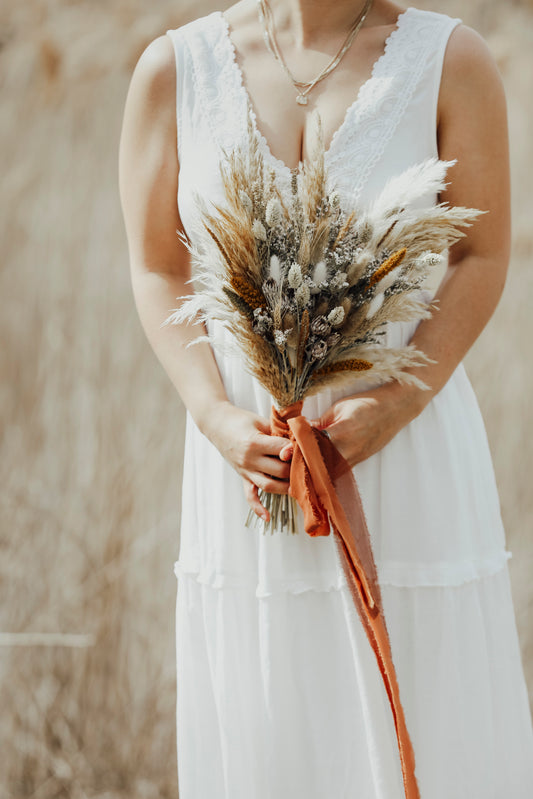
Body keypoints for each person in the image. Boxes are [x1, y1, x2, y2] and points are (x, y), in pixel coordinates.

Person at [118, 0, 533, 796]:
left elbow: (481, 254)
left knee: (426, 708)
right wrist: (212, 413)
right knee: (270, 718)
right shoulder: (175, 67)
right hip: (248, 462)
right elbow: (156, 264)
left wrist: (399, 401)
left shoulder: (451, 59)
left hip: (402, 444)